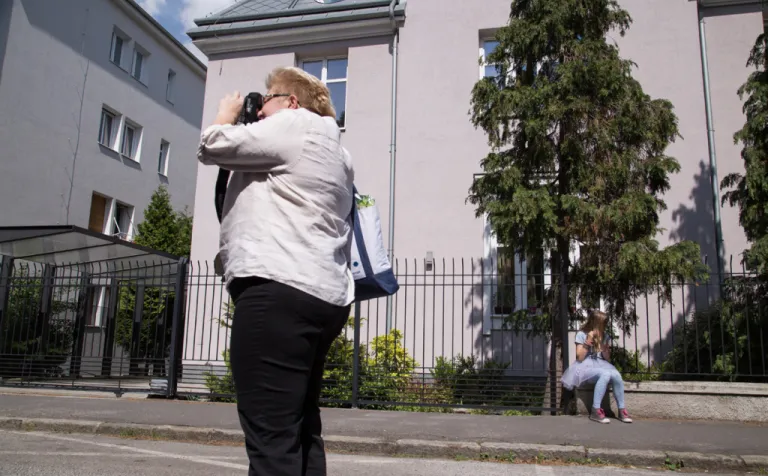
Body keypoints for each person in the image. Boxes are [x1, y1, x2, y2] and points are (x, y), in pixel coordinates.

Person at [197, 66, 355, 475]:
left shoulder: (294, 125)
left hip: (277, 291)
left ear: (291, 101)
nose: (260, 110)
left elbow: (212, 144)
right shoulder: (339, 153)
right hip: (324, 295)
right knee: (300, 428)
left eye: (266, 100)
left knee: (271, 439)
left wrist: (227, 113)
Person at [561, 310, 633, 424]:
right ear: (596, 322)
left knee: (616, 375)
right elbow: (579, 357)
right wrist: (588, 341)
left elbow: (607, 359)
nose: (605, 325)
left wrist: (605, 349)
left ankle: (621, 410)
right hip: (584, 367)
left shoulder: (605, 336)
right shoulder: (581, 334)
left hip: (600, 364)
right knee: (605, 373)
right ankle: (596, 410)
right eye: (603, 323)